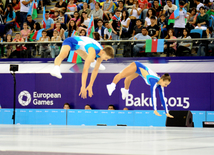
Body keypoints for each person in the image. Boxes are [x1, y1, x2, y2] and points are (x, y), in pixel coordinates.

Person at [50, 36, 114, 99]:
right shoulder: (93, 52)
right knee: (63, 54)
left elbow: (95, 70)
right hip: (71, 41)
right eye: (106, 58)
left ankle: (93, 62)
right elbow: (85, 69)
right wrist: (83, 86)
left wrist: (90, 85)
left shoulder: (101, 53)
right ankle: (56, 68)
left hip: (79, 46)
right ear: (103, 52)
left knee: (88, 58)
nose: (106, 60)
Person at [106, 62, 174, 118]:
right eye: (165, 84)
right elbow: (153, 96)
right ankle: (112, 85)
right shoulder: (153, 81)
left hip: (139, 71)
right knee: (121, 75)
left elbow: (163, 99)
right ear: (161, 80)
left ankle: (125, 90)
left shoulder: (160, 85)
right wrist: (155, 109)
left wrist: (167, 112)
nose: (166, 86)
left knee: (128, 79)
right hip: (136, 65)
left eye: (167, 85)